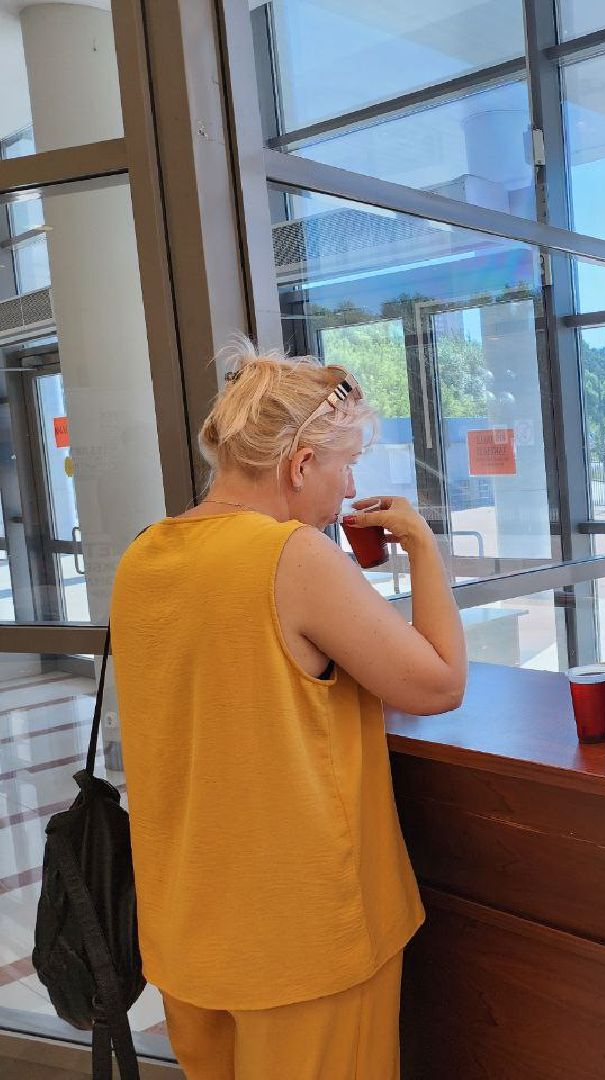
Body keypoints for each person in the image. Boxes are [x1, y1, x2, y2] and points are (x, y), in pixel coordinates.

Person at [111, 344, 467, 1079]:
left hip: (187, 934)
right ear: (301, 466)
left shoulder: (143, 555)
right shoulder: (293, 556)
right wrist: (423, 548)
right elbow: (437, 685)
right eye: (346, 466)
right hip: (305, 943)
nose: (349, 489)